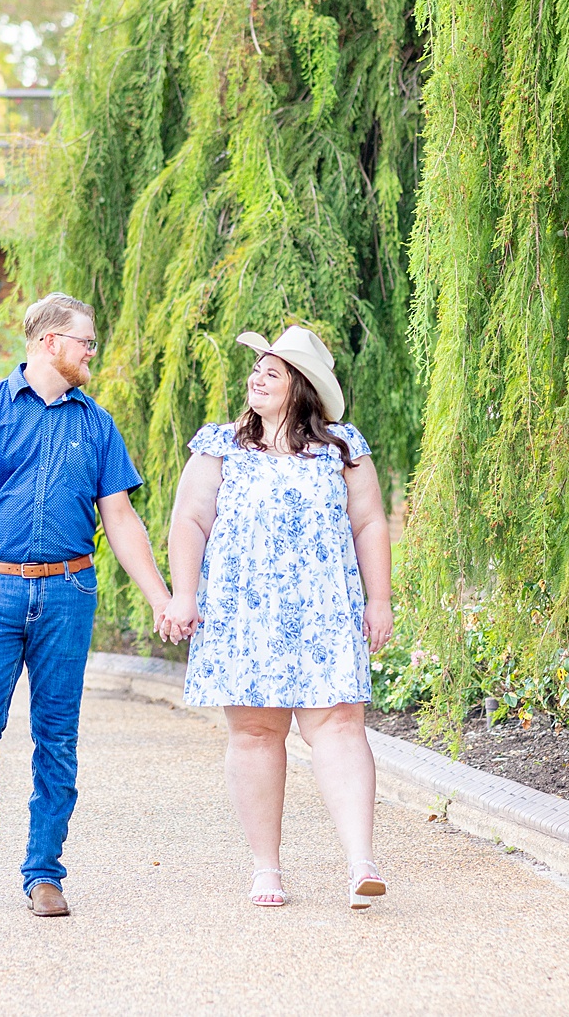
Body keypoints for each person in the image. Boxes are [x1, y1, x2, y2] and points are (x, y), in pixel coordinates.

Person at [0, 292, 171, 917]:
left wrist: (161, 597)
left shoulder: (96, 424)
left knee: (57, 736)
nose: (92, 352)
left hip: (68, 590)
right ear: (50, 342)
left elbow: (121, 518)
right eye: (85, 341)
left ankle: (44, 872)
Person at [160, 325, 395, 909]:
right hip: (244, 612)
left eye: (272, 371)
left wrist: (379, 599)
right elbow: (189, 520)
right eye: (256, 370)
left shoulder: (342, 448)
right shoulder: (220, 445)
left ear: (302, 387)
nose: (255, 379)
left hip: (324, 609)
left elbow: (369, 524)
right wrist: (184, 595)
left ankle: (360, 863)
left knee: (340, 727)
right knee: (257, 734)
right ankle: (267, 868)